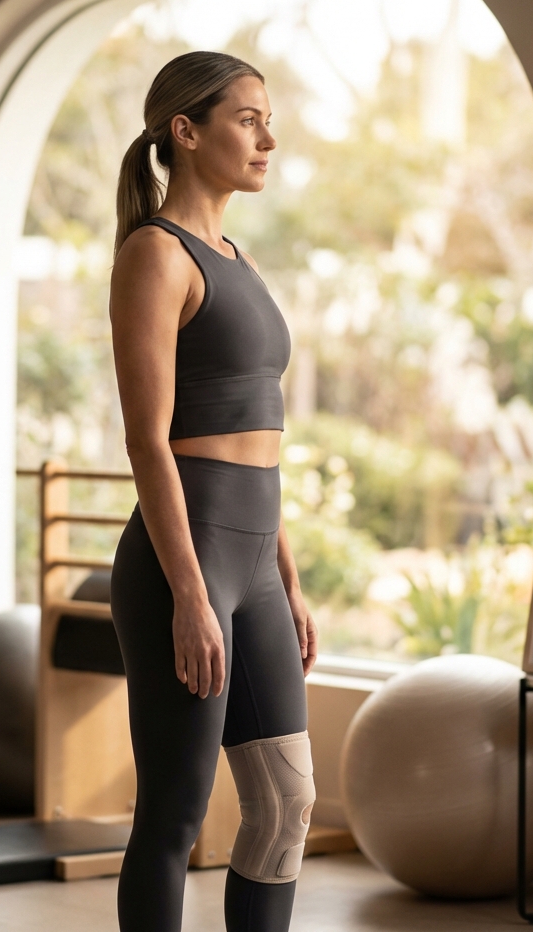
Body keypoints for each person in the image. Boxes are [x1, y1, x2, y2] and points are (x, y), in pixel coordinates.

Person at [109, 50, 317, 932]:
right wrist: (192, 594)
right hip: (179, 568)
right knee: (176, 818)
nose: (268, 138)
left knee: (284, 807)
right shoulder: (157, 255)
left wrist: (289, 577)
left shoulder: (240, 258)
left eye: (268, 119)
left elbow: (261, 444)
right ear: (185, 133)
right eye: (247, 119)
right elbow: (148, 443)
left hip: (256, 567)